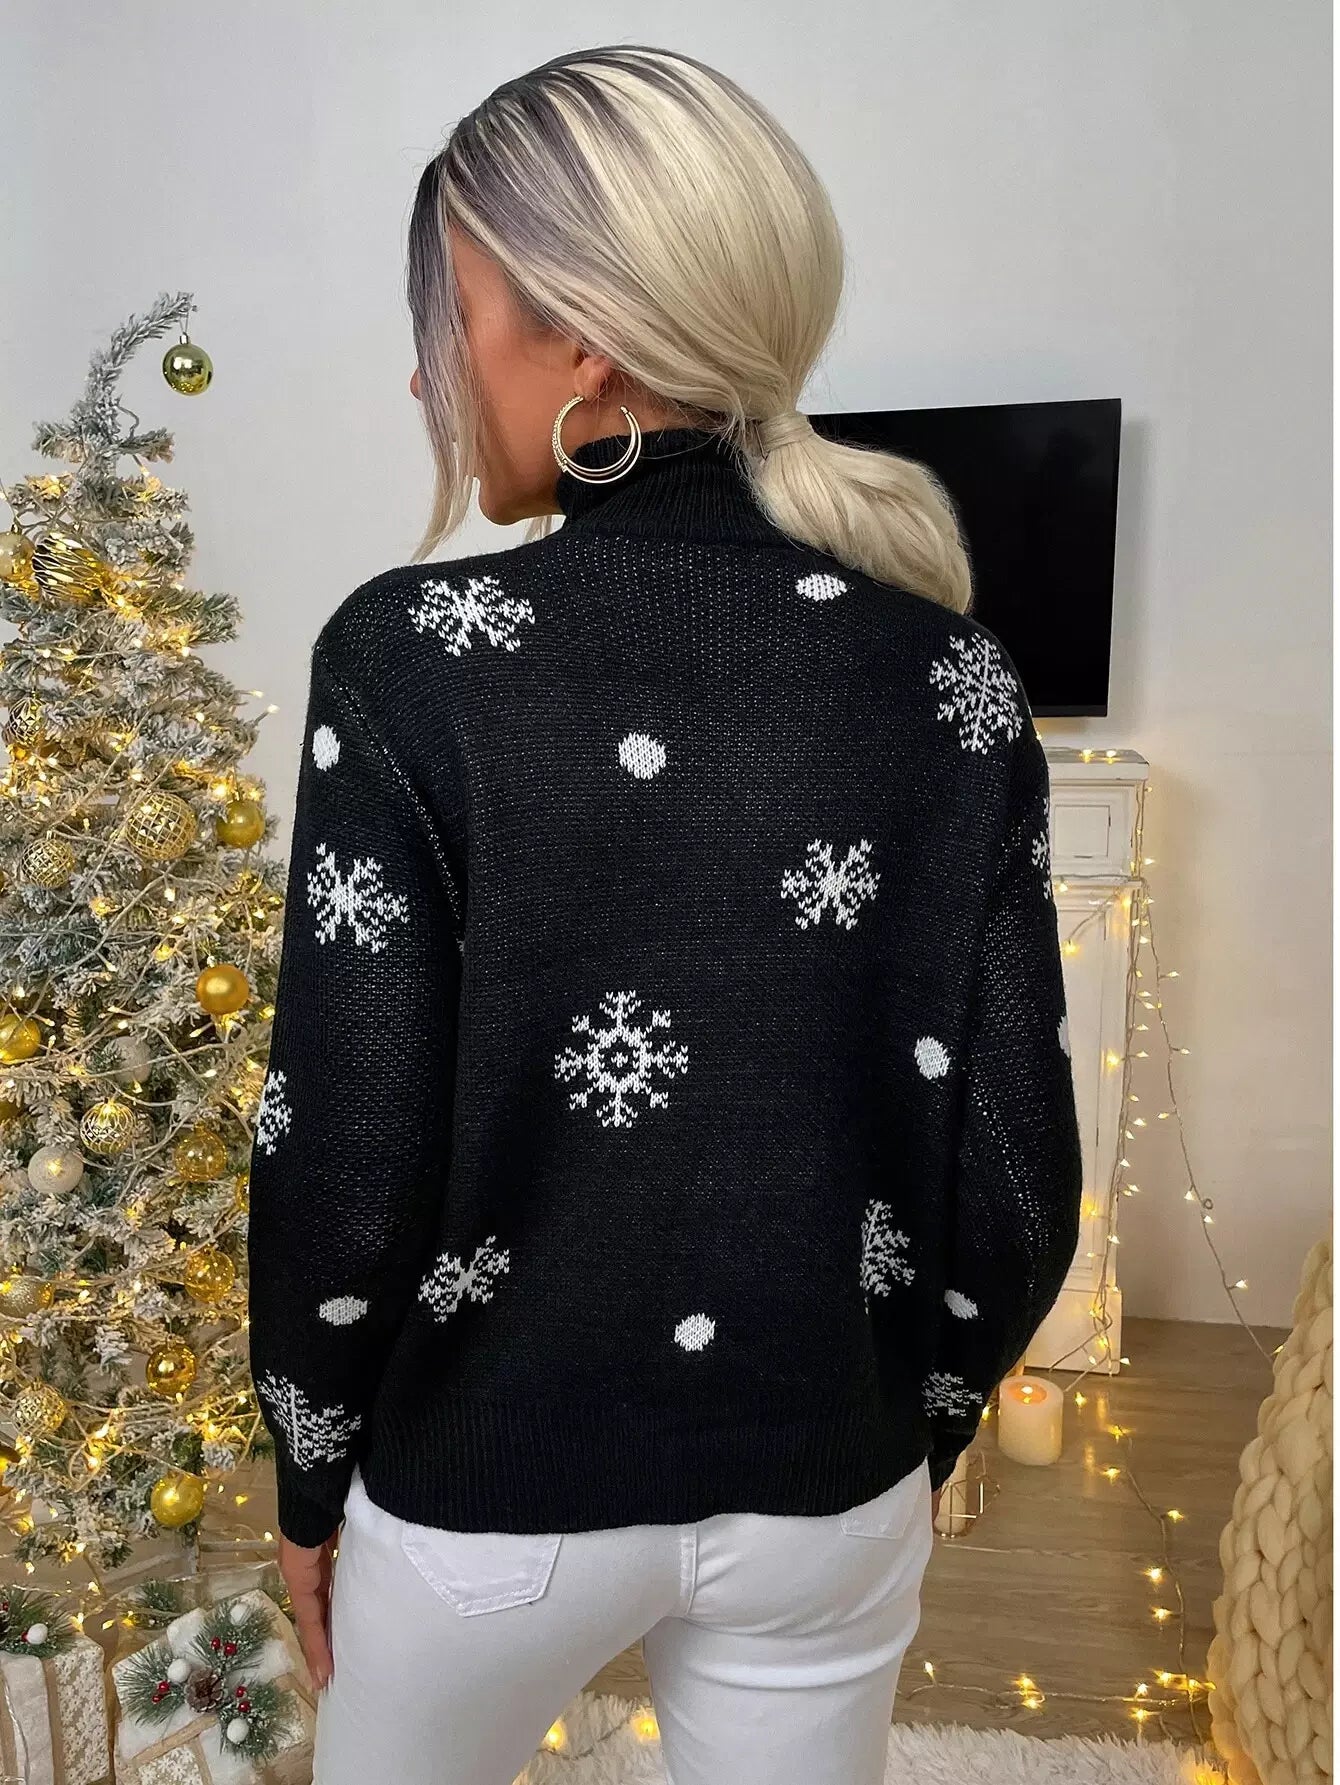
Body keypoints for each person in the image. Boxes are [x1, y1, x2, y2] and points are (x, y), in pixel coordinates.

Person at [245, 43, 1083, 1785]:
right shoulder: (949, 675)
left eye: (448, 314)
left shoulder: (409, 661)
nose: (423, 370)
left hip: (487, 1502)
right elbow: (1014, 1171)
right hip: (827, 1484)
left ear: (580, 338)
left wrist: (311, 1477)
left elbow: (346, 1149)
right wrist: (906, 1437)